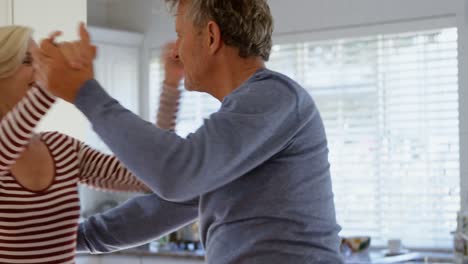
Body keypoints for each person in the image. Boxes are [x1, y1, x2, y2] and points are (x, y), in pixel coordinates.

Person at [34, 0, 344, 263]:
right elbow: (159, 209)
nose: (177, 51)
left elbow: (176, 172)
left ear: (211, 36)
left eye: (180, 35)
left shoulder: (275, 96)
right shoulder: (243, 122)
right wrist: (61, 240)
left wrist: (84, 92)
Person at [0, 26, 181, 264]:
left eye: (39, 61)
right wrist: (57, 79)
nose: (38, 69)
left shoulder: (61, 148)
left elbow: (149, 172)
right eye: (27, 60)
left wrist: (170, 85)